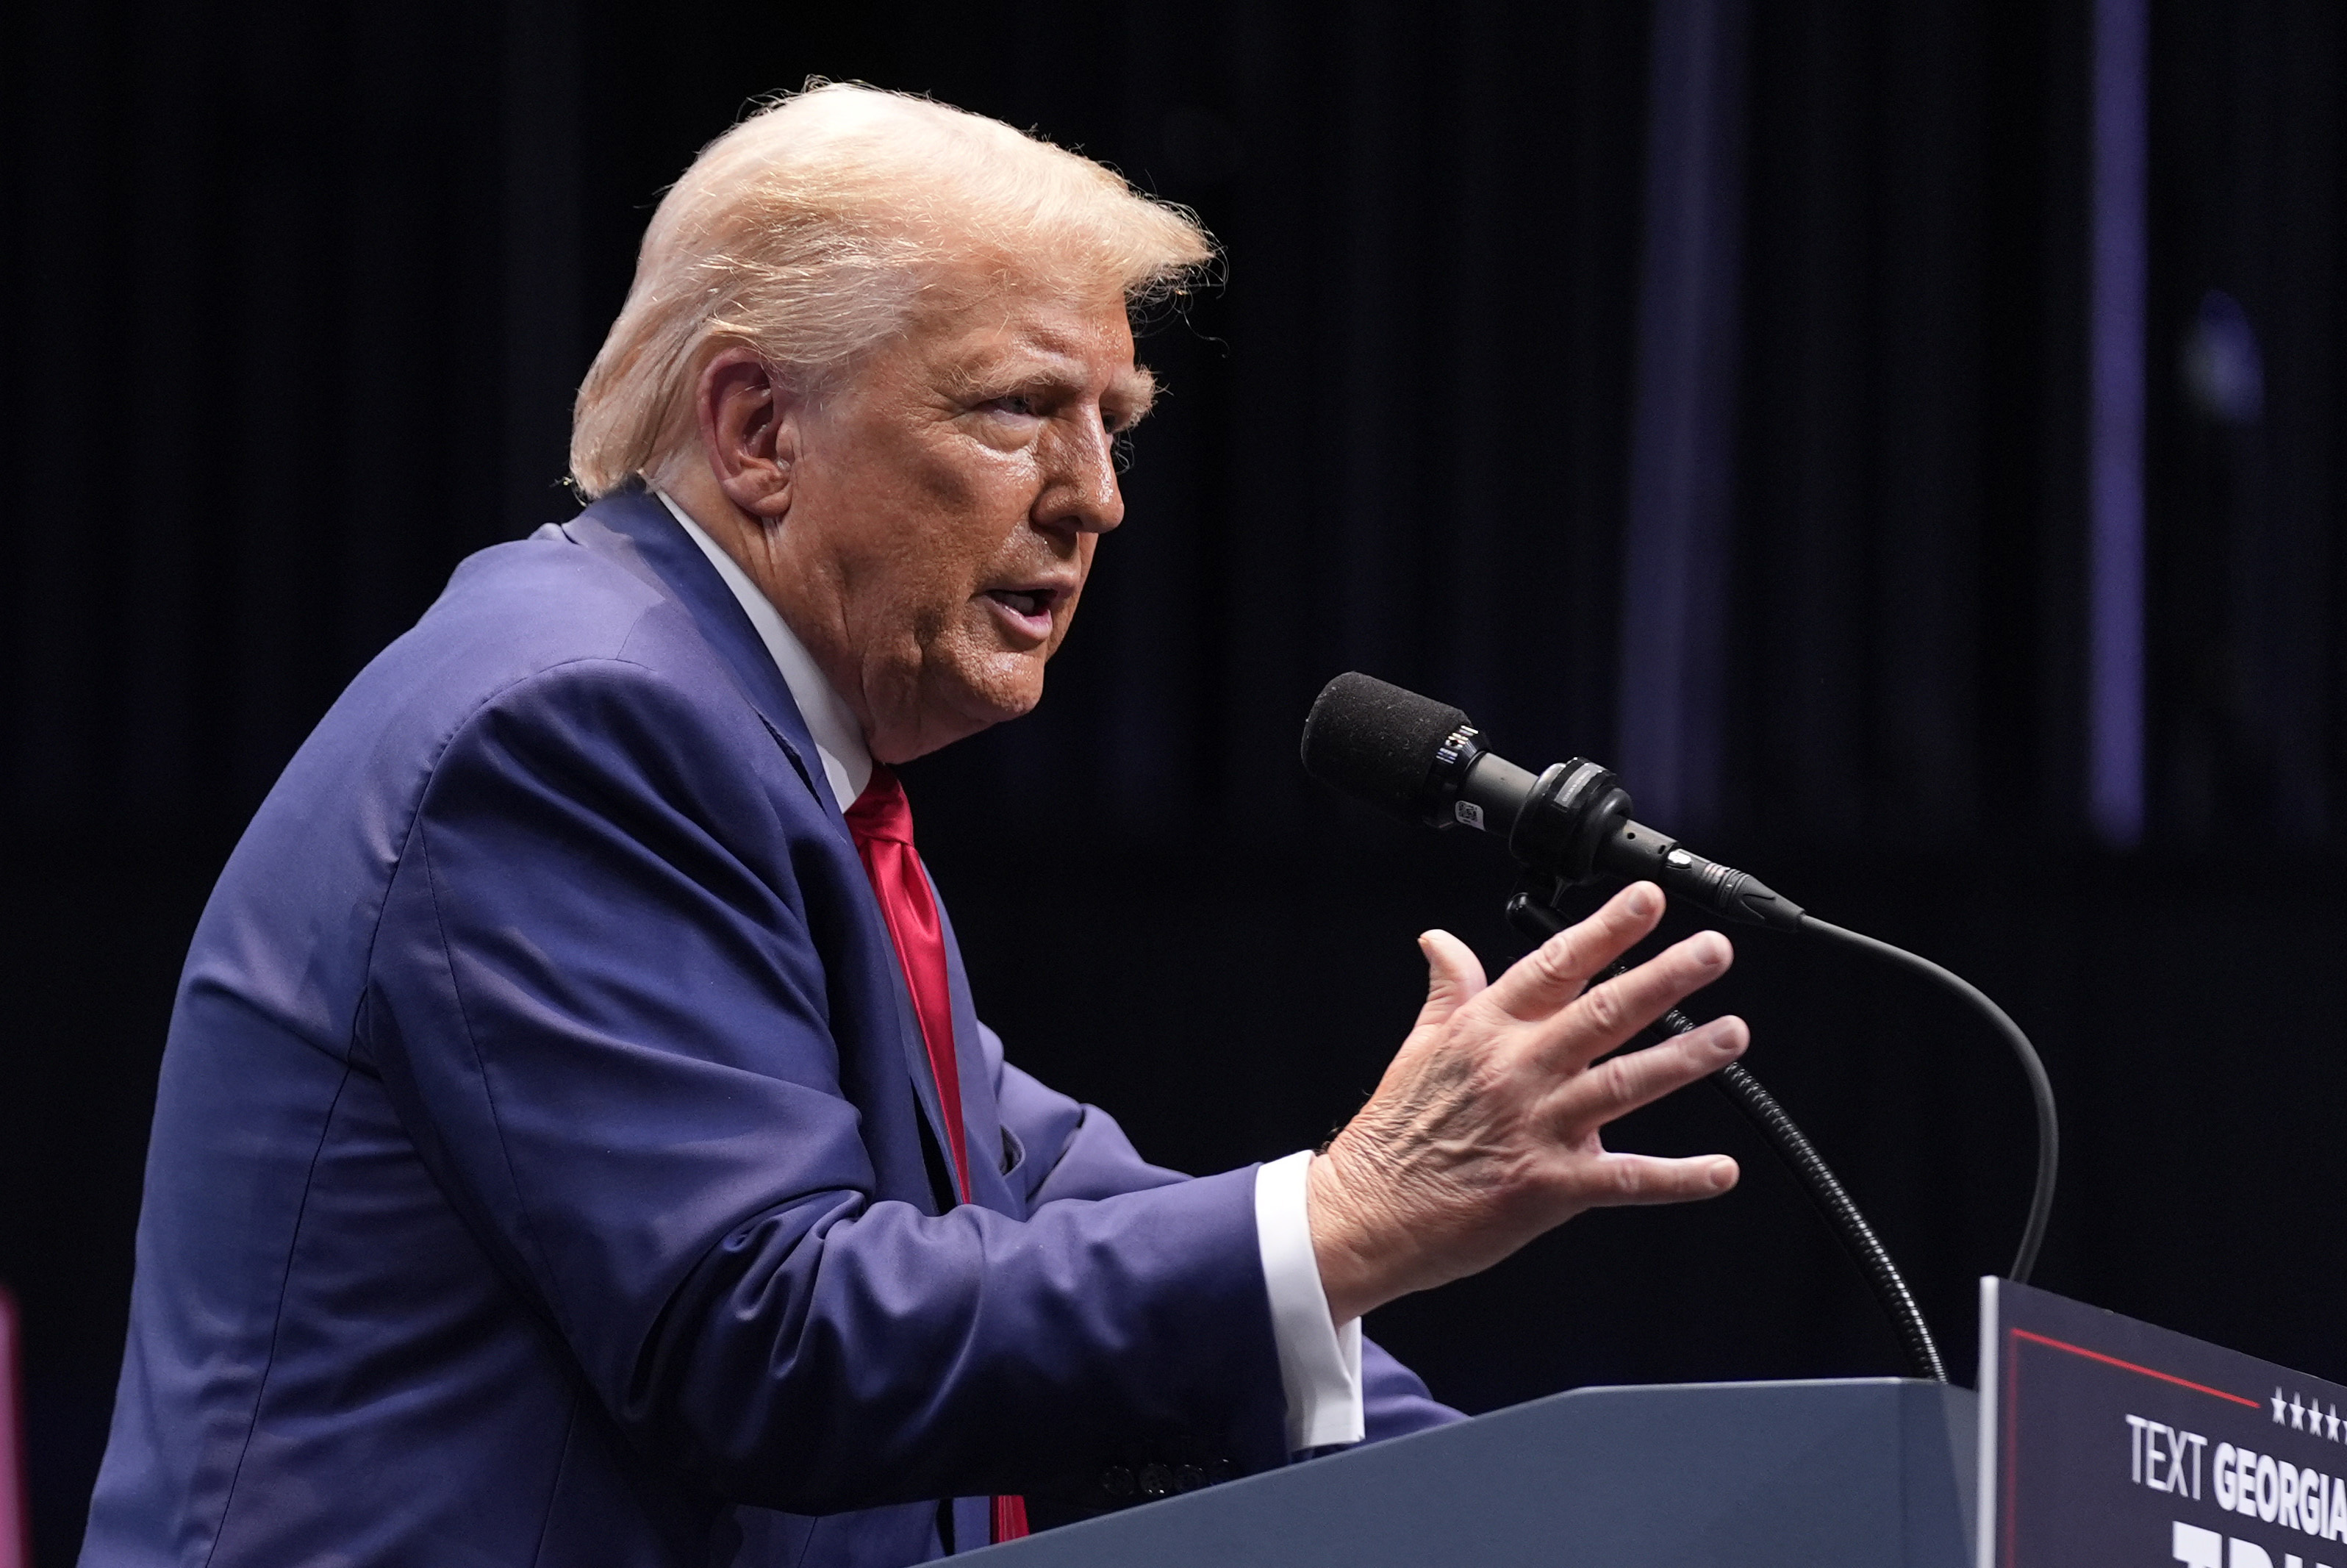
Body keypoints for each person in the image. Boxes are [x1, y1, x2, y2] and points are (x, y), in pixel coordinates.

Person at [79, 85, 1751, 1568]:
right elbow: (764, 1329)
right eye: (1020, 407)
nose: (1096, 496)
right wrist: (1342, 1211)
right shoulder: (576, 725)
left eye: (1116, 425)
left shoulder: (773, 760)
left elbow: (1033, 1211)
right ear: (757, 431)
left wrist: (1586, 1512)